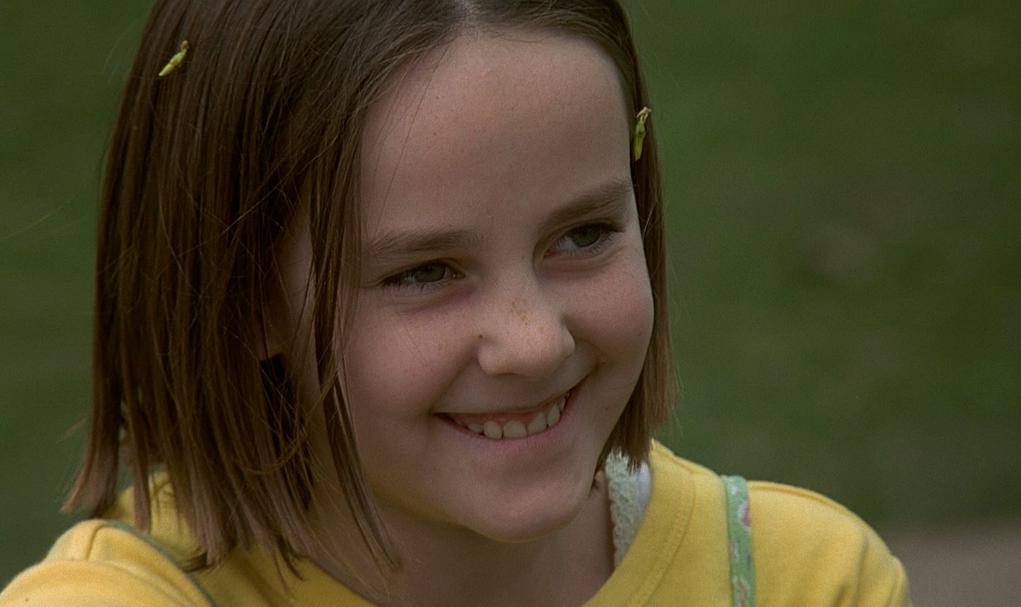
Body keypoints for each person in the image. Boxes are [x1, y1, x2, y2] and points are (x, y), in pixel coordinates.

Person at [0, 1, 909, 605]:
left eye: (583, 234)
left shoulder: (806, 583)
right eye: (425, 272)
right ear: (243, 300)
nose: (533, 341)